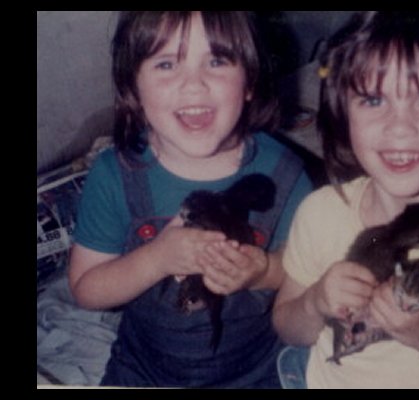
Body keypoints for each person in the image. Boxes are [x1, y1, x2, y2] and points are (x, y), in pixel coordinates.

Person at [68, 11, 313, 388]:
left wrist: (262, 270)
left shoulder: (285, 172)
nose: (194, 85)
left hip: (257, 370)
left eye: (216, 61)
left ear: (249, 80)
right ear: (133, 86)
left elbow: (305, 276)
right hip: (145, 369)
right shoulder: (113, 174)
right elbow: (86, 289)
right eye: (166, 63)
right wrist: (157, 258)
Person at [272, 11, 419, 389]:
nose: (400, 127)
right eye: (372, 100)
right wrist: (315, 302)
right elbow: (287, 328)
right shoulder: (321, 212)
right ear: (340, 110)